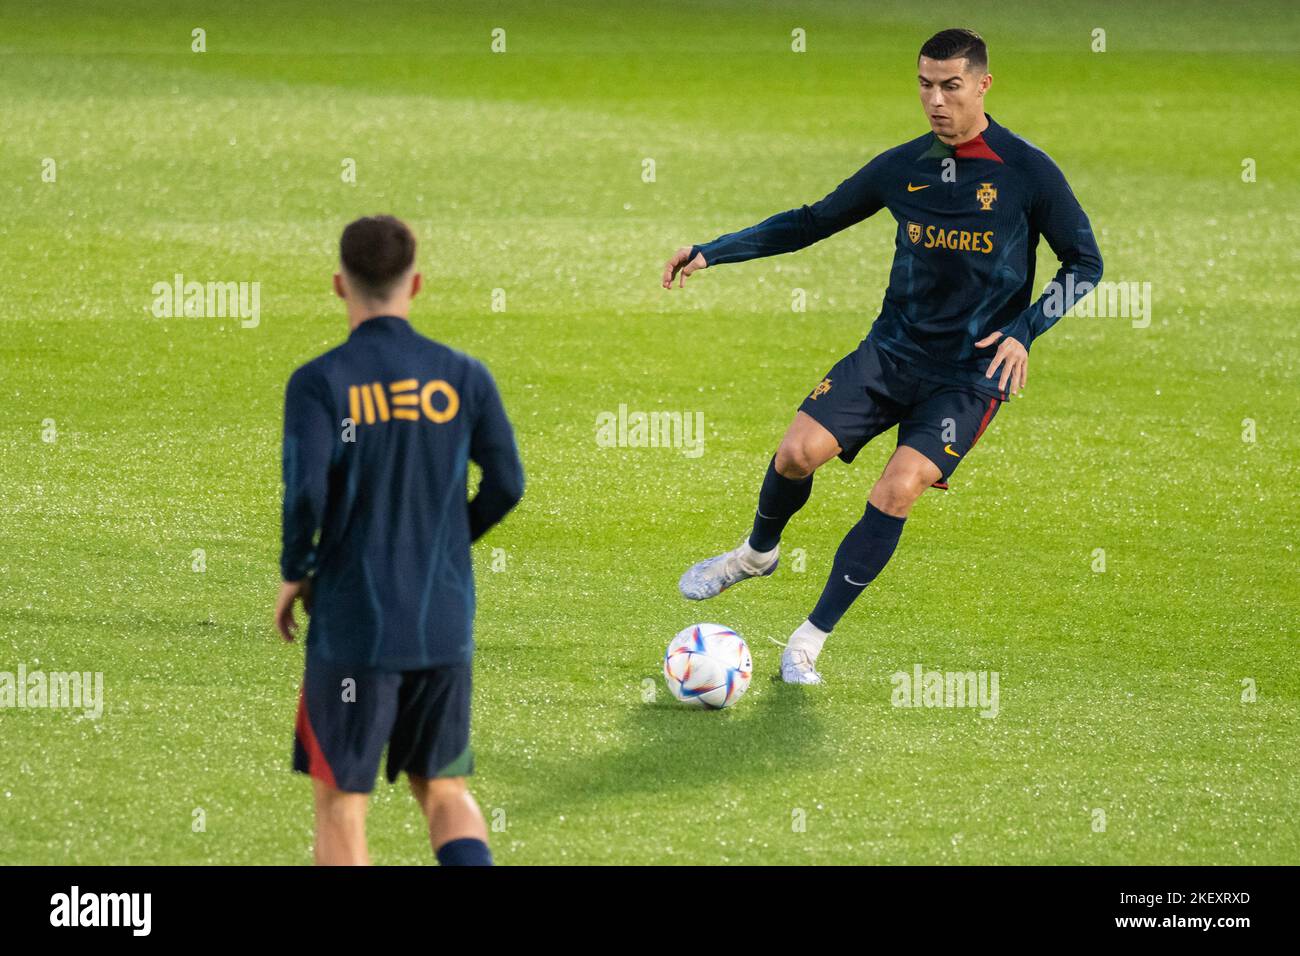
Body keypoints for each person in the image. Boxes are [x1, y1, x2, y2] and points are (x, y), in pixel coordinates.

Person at [274, 215, 523, 864]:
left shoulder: (320, 382)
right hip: (441, 621)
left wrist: (296, 569)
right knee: (444, 789)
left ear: (338, 285)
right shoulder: (462, 376)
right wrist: (445, 543)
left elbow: (305, 493)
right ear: (416, 284)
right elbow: (508, 483)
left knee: (342, 802)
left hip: (356, 623)